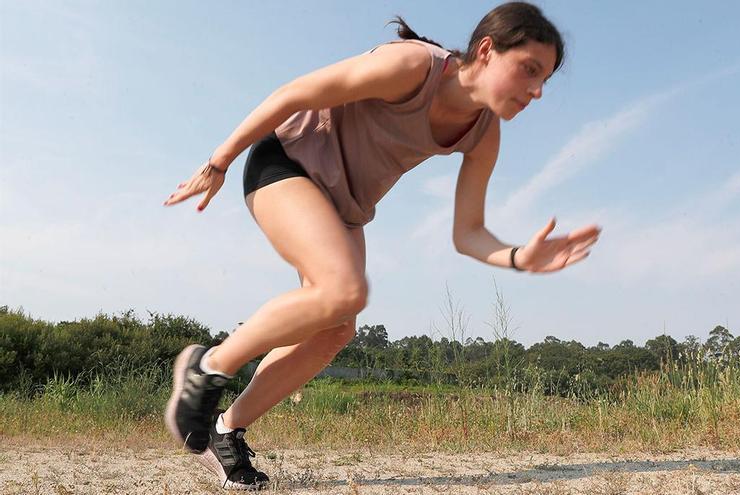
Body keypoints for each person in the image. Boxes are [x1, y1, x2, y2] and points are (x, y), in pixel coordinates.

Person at [163, 1, 601, 490]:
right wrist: (218, 162)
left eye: (546, 80)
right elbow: (293, 94)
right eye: (530, 70)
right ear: (486, 50)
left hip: (344, 204)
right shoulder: (413, 66)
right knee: (344, 289)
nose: (537, 91)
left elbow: (468, 234)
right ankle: (207, 366)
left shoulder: (483, 133)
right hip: (288, 163)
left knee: (336, 328)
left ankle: (226, 429)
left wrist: (520, 256)